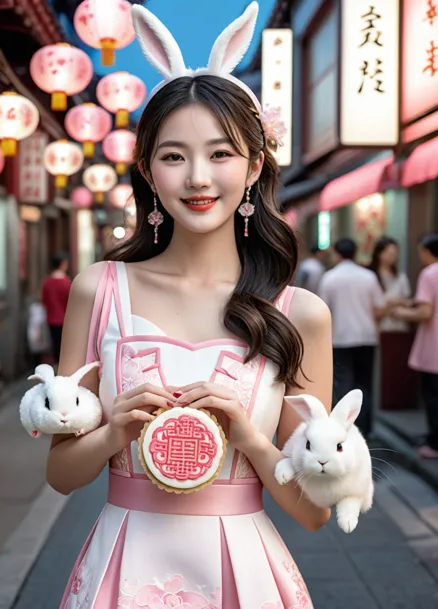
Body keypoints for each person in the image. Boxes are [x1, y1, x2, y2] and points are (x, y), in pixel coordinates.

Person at [50, 4, 332, 607]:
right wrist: (112, 432)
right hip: (121, 565)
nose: (198, 178)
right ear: (148, 171)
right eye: (174, 156)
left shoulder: (299, 311)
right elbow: (61, 475)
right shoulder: (99, 290)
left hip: (244, 574)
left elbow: (314, 513)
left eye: (222, 154)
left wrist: (252, 443)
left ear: (255, 166)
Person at [319, 237, 385, 440]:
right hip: (366, 336)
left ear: (337, 254)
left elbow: (323, 311)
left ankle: (345, 428)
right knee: (365, 383)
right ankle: (365, 429)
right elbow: (380, 307)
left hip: (340, 338)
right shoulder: (368, 276)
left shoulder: (329, 277)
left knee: (344, 384)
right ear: (355, 253)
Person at [391, 233, 438, 459]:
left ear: (428, 252)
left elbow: (425, 312)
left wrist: (400, 312)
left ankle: (434, 444)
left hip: (434, 347)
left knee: (433, 396)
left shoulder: (430, 274)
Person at [368, 236, 416, 411]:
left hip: (399, 327)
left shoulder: (400, 277)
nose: (392, 256)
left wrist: (391, 303)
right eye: (388, 252)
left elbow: (408, 301)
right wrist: (393, 303)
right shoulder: (371, 275)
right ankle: (379, 403)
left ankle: (394, 401)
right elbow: (375, 304)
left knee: (396, 366)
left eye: (395, 253)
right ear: (379, 254)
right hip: (379, 327)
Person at [41, 251, 72, 365]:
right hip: (65, 319)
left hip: (51, 318)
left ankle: (56, 365)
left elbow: (44, 301)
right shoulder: (66, 282)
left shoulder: (47, 282)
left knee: (55, 344)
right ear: (63, 264)